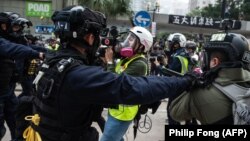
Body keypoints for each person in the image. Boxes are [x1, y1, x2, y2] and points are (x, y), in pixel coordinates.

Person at [27, 6, 197, 141]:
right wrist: (184, 81)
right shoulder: (77, 74)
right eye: (97, 35)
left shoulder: (53, 61)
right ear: (89, 38)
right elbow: (133, 87)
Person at [169, 32, 250, 124]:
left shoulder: (200, 93)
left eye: (206, 57)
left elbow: (175, 113)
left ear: (214, 62)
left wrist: (191, 84)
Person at [100, 26, 153, 141]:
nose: (126, 41)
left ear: (141, 46)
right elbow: (115, 74)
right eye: (128, 37)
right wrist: (108, 61)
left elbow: (114, 83)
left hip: (123, 113)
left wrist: (110, 62)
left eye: (131, 39)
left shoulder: (139, 64)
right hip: (116, 108)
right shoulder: (128, 59)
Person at [0, 12, 44, 140]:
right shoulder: (4, 43)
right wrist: (38, 55)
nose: (17, 30)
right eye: (14, 27)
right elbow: (13, 49)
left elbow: (29, 47)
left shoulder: (15, 41)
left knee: (18, 121)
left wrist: (53, 53)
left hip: (8, 90)